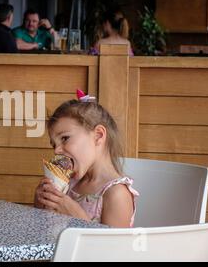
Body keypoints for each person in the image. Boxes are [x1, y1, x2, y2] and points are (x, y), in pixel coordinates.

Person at [34, 91, 138, 228]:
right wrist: (40, 205)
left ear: (98, 136)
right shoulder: (69, 184)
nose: (56, 150)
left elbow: (114, 248)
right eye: (54, 144)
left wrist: (77, 218)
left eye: (65, 138)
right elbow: (44, 230)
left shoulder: (116, 194)